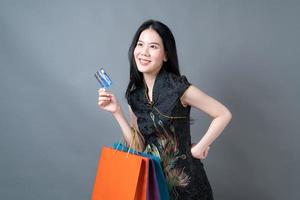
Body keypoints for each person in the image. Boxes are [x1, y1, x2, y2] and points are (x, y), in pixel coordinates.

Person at [98, 19, 232, 200]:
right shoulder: (135, 95)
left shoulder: (177, 88)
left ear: (165, 55)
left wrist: (200, 147)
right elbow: (139, 146)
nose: (144, 52)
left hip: (189, 188)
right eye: (140, 44)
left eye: (153, 46)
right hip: (155, 188)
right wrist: (117, 112)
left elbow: (223, 114)